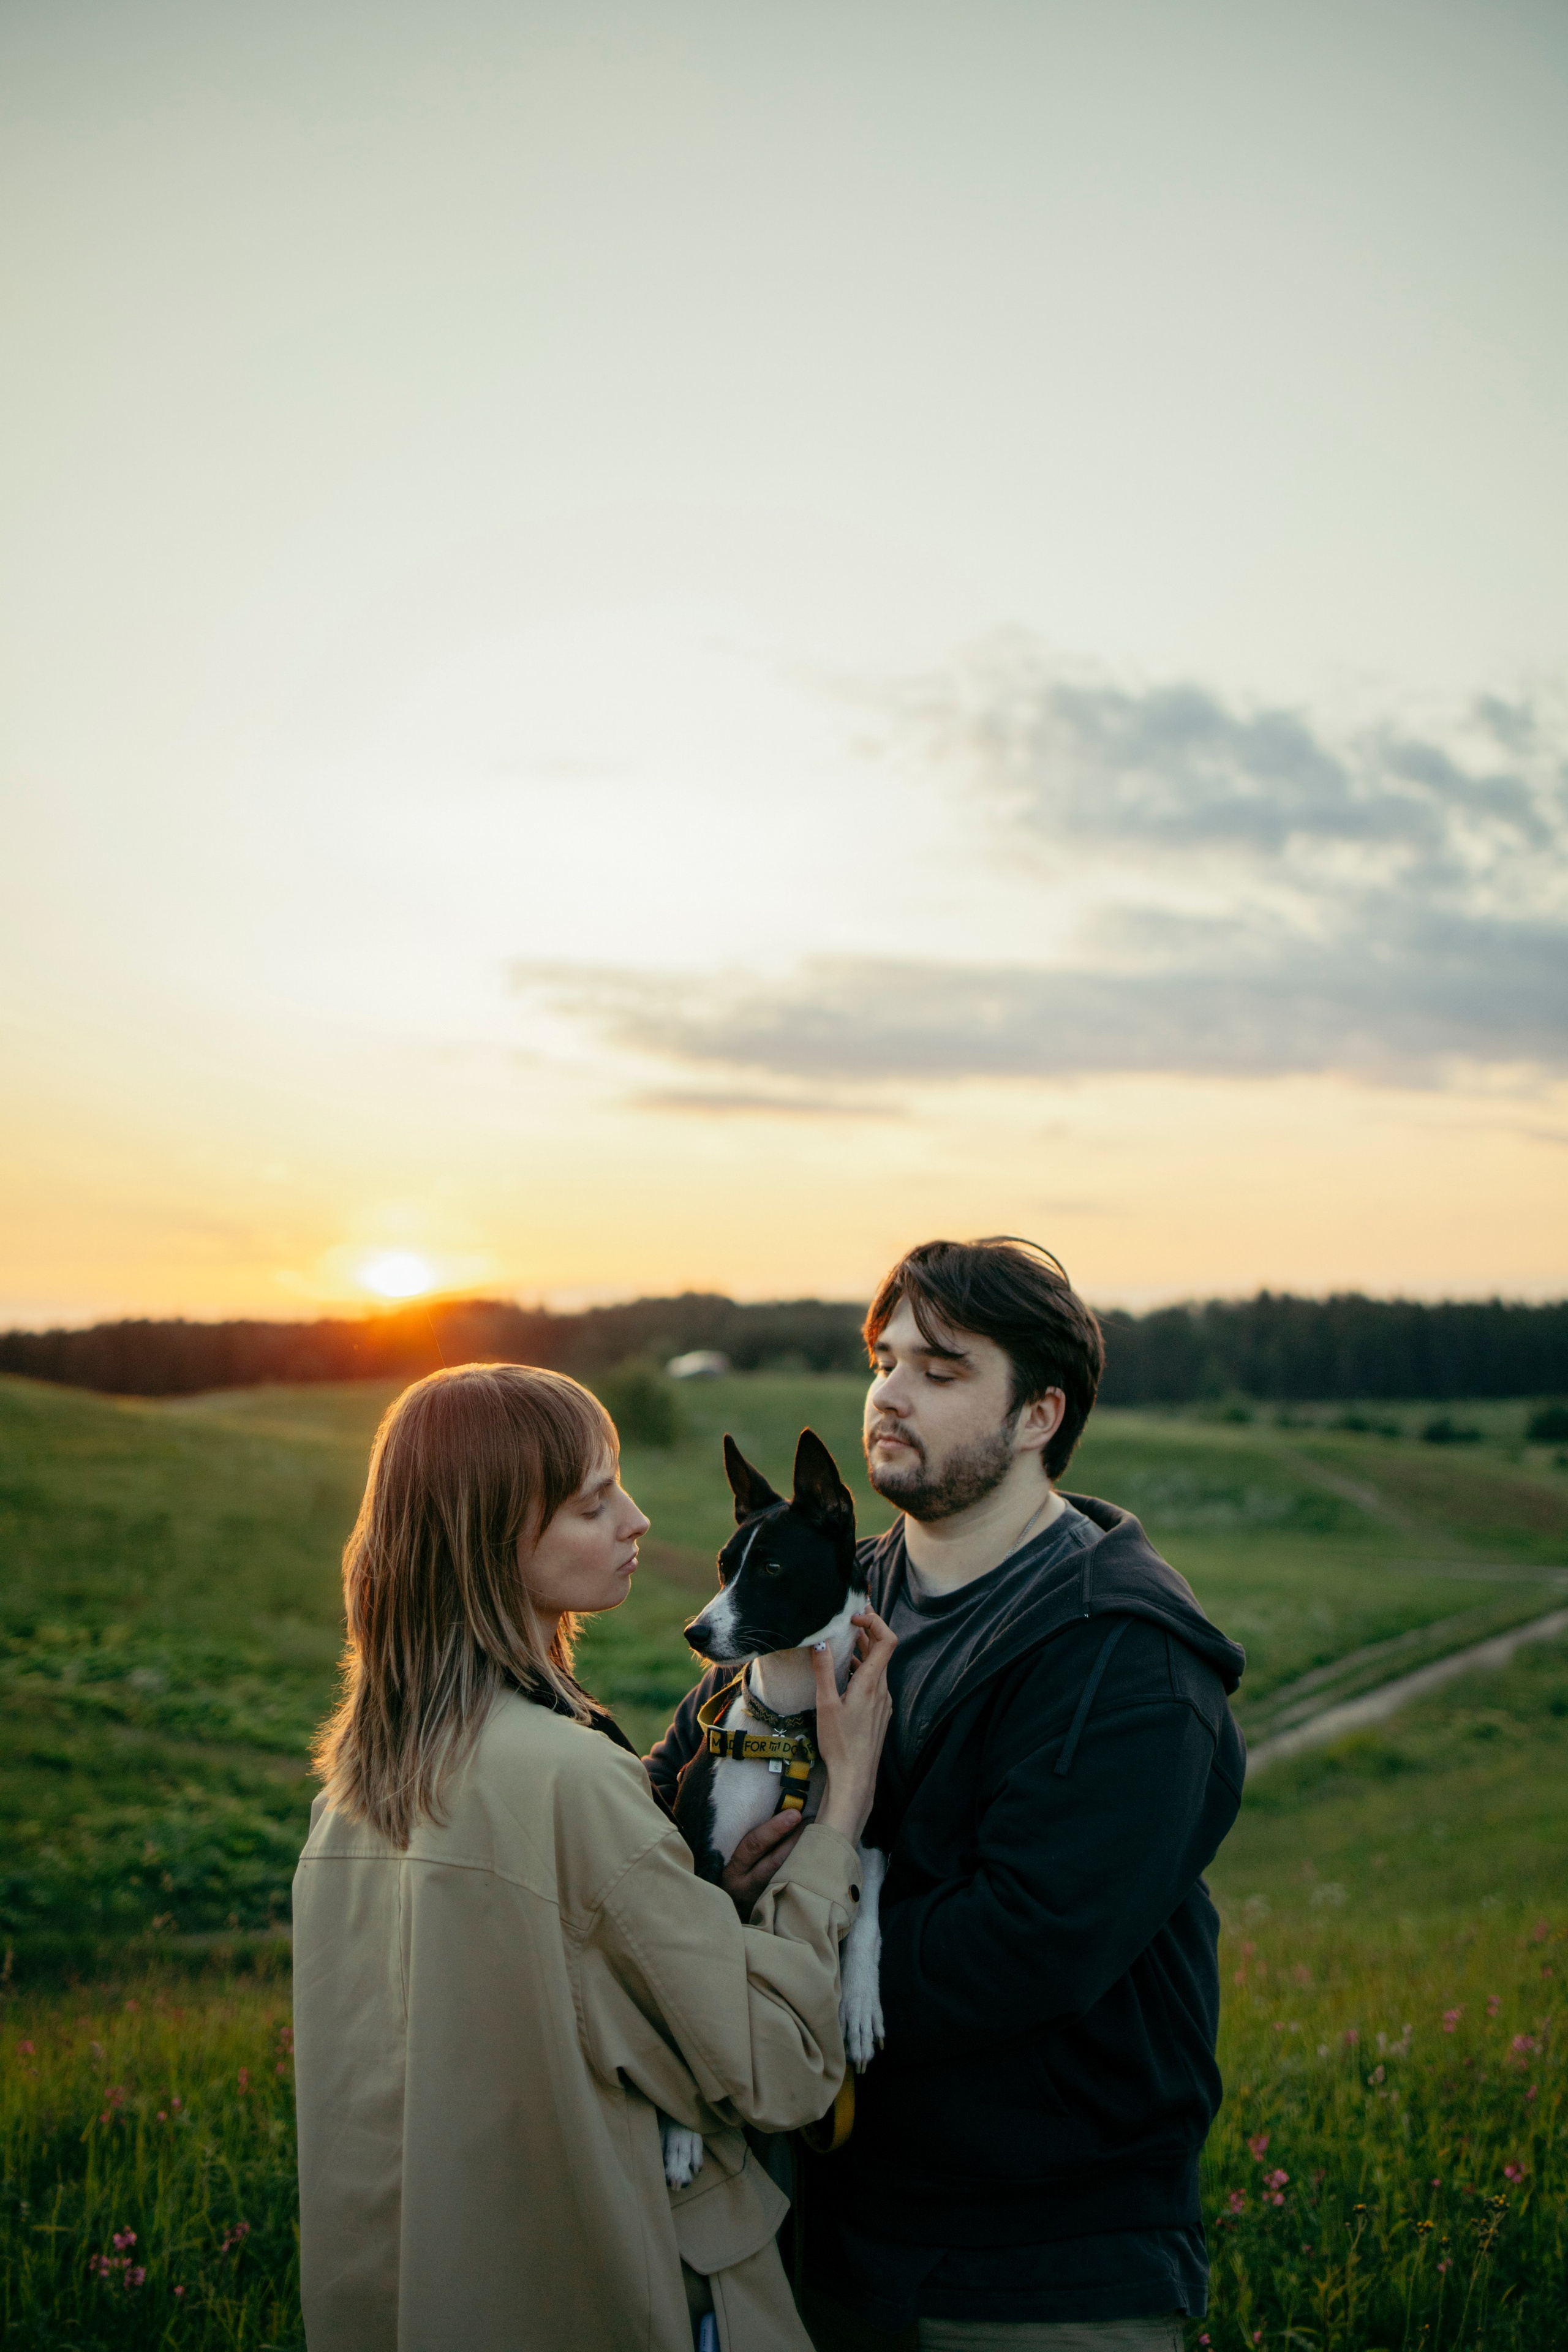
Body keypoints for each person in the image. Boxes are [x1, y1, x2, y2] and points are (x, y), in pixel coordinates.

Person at [647, 1238, 1246, 2352]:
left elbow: (1024, 1949)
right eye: (884, 1358)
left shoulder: (1128, 1661)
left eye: (942, 1368)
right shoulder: (821, 1586)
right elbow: (670, 1792)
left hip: (1038, 2274)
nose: (890, 1393)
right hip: (821, 2240)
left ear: (1037, 1416)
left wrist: (761, 1949)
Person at [292, 1361, 896, 2352]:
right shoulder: (574, 1784)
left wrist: (705, 1904)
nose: (639, 1519)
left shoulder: (347, 1807)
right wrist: (842, 1812)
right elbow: (782, 2069)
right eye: (593, 1501)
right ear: (495, 1541)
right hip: (634, 2292)